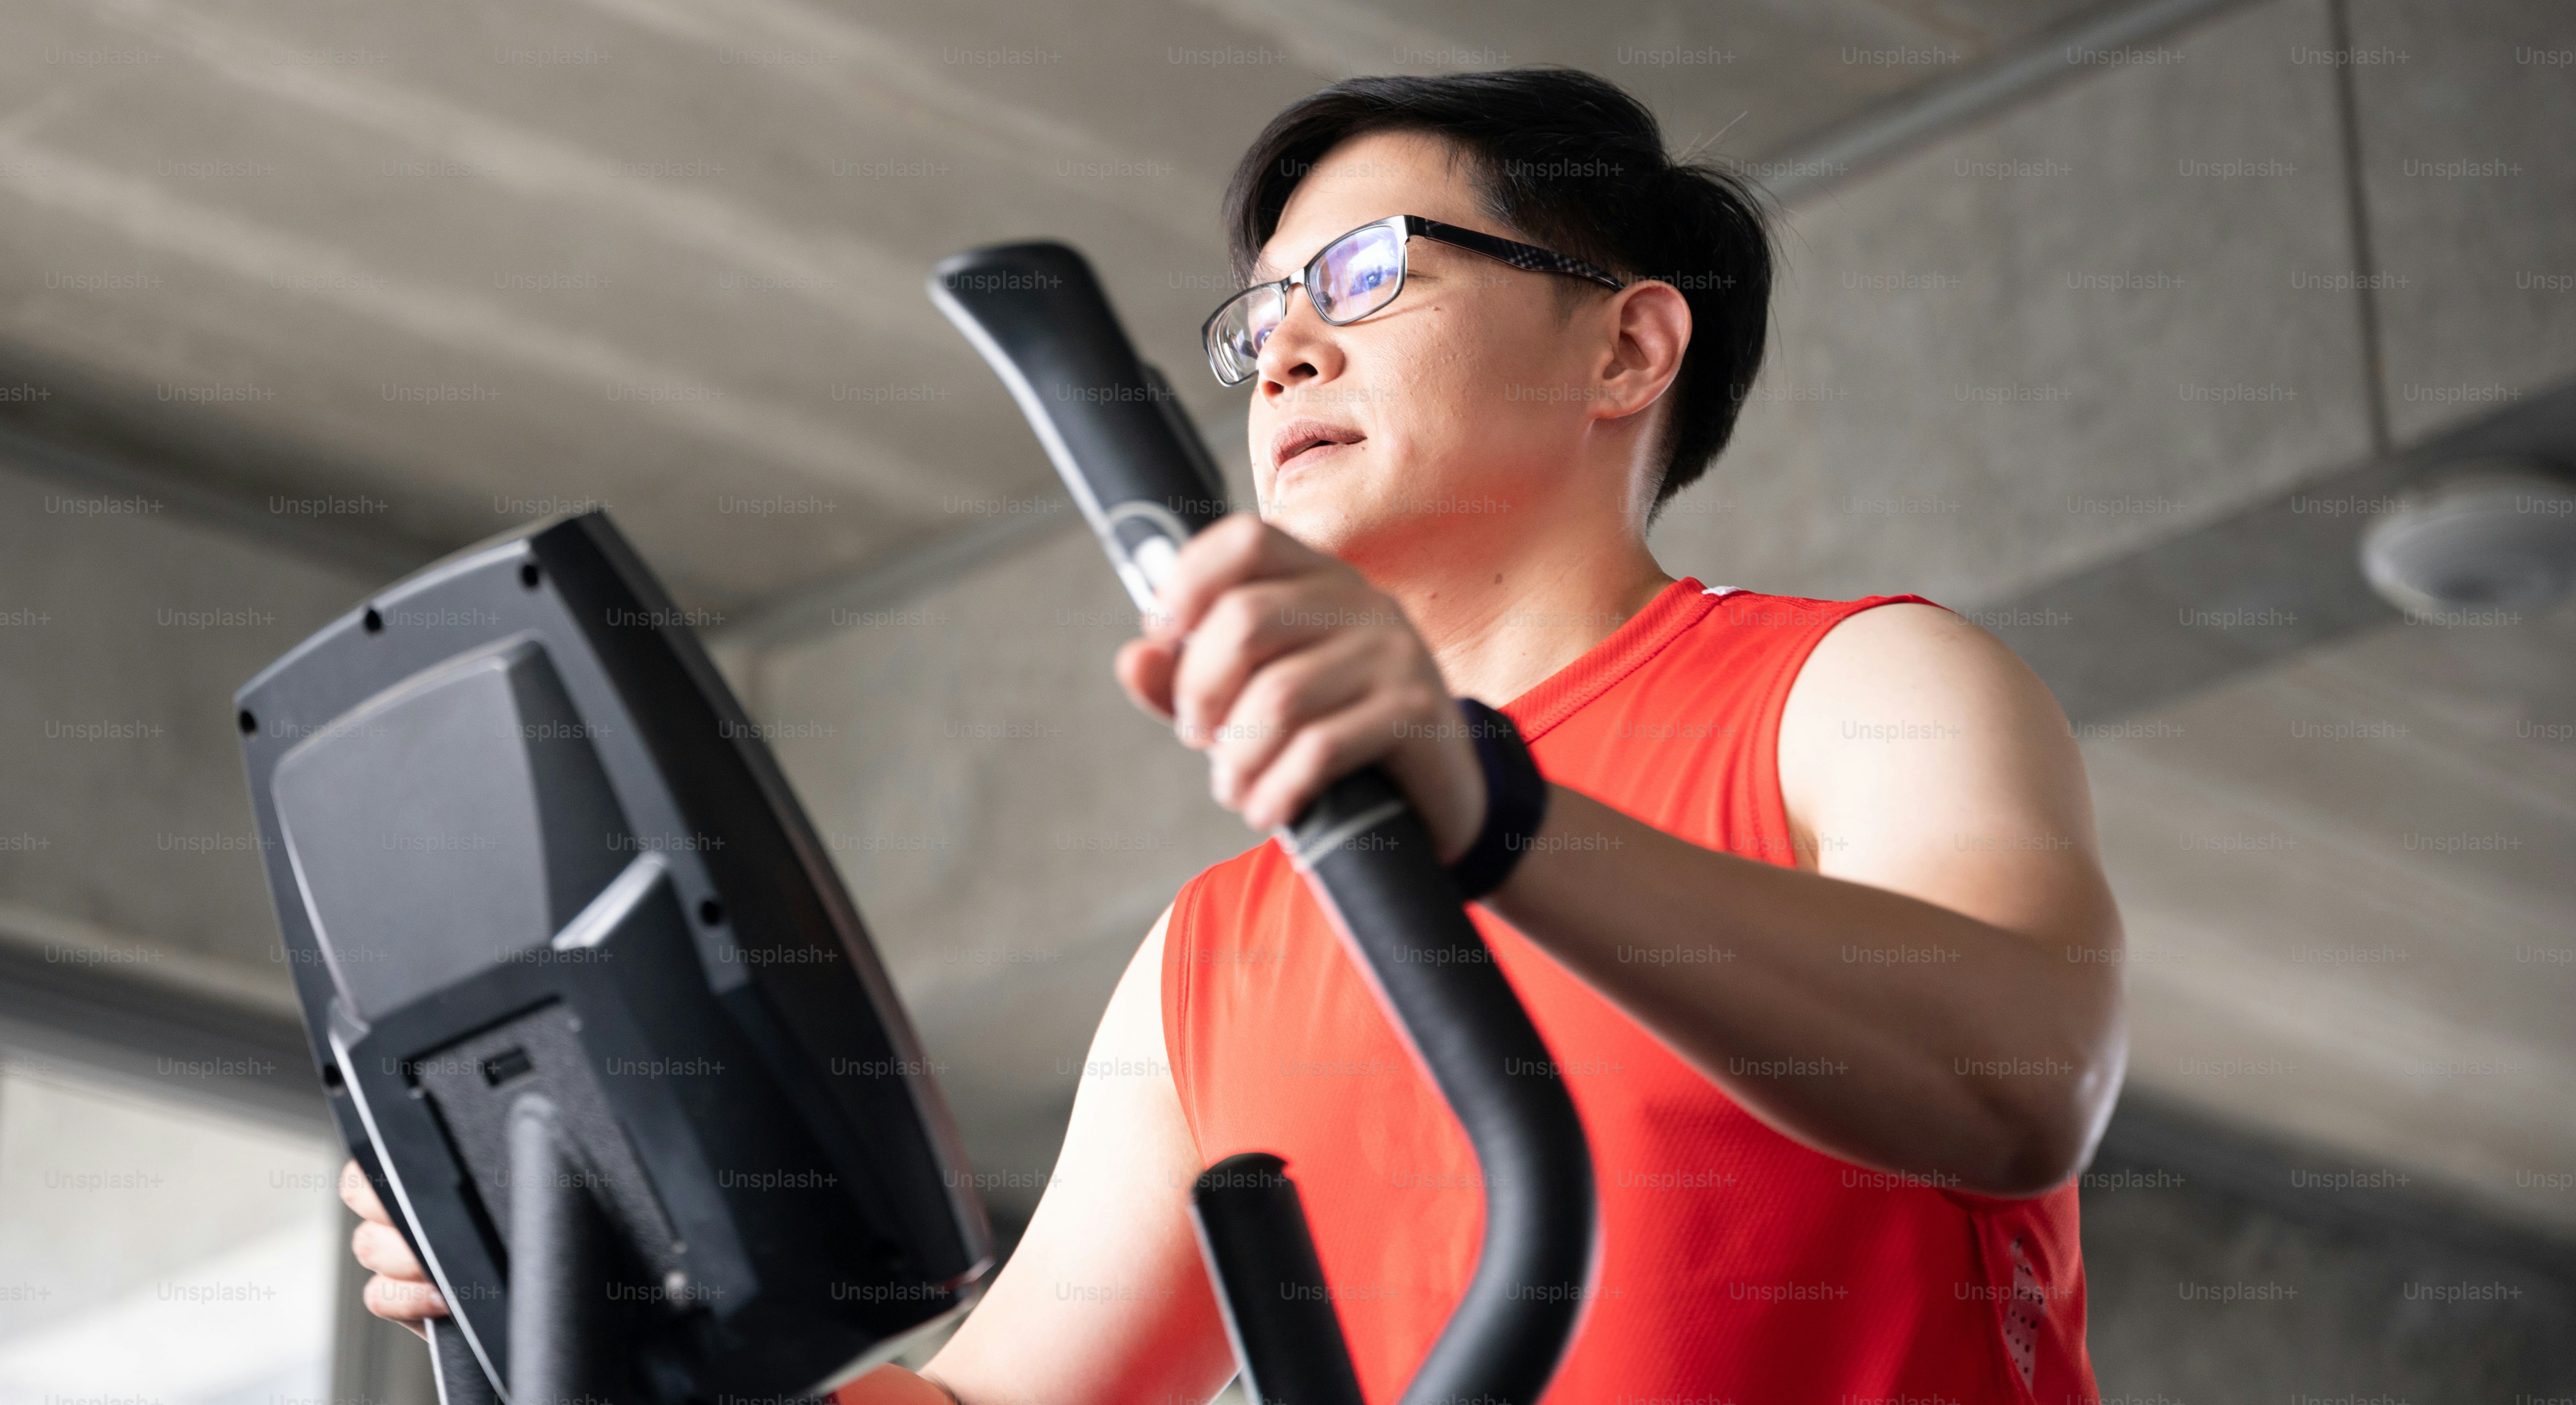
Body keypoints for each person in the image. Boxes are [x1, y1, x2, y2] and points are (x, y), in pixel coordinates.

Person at [345, 68, 2125, 1404]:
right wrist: (588, 1292)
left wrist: (1490, 806)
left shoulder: (1856, 687)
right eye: (1260, 319)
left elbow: (2021, 1077)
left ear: (1627, 349)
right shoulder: (1219, 952)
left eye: (1363, 274)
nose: (1282, 357)